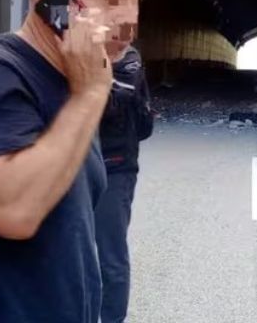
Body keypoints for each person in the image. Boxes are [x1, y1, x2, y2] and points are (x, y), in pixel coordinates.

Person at [0, 0, 155, 322]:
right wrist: (90, 96)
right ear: (50, 0)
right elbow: (14, 211)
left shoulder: (73, 81)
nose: (128, 20)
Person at [96, 44, 155, 323]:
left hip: (115, 167)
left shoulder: (127, 57)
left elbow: (115, 97)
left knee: (110, 255)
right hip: (73, 166)